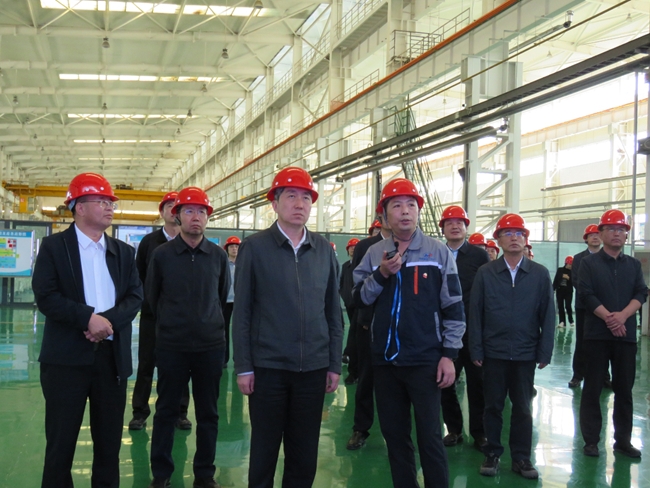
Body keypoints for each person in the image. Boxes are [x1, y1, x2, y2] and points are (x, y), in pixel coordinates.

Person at [232, 167, 343, 488]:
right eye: (291, 196)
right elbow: (243, 312)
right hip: (268, 368)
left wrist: (334, 363)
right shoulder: (255, 247)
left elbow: (333, 312)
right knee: (264, 451)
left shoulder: (323, 250)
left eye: (306, 197)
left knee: (304, 454)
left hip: (313, 369)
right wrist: (244, 366)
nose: (299, 203)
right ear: (275, 203)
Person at [32, 172, 143, 488]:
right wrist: (87, 319)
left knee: (109, 446)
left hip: (111, 360)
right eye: (102, 201)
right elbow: (46, 295)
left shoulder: (123, 252)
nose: (110, 207)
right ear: (78, 207)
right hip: (65, 361)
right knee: (60, 445)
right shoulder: (54, 247)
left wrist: (106, 322)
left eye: (111, 203)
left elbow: (135, 295)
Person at [353, 178, 465, 488]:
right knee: (395, 437)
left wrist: (449, 355)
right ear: (384, 214)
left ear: (418, 211)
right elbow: (357, 297)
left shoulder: (438, 253)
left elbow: (454, 306)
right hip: (385, 362)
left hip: (426, 361)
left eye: (411, 205)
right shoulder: (373, 254)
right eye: (397, 205)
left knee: (430, 437)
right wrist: (382, 274)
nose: (405, 211)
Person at [146, 187, 230, 488]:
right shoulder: (162, 255)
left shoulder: (218, 256)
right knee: (166, 411)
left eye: (202, 211)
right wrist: (173, 325)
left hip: (210, 346)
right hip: (173, 346)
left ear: (208, 217)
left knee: (209, 414)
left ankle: (204, 474)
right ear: (177, 216)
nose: (196, 217)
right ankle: (162, 473)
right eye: (190, 211)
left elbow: (221, 295)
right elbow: (152, 298)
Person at [469, 213, 555, 480]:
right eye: (508, 233)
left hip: (525, 352)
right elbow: (475, 313)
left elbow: (548, 315)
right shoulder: (486, 273)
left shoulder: (539, 274)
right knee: (492, 406)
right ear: (498, 240)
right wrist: (476, 348)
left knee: (523, 408)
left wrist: (544, 350)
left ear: (525, 239)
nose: (514, 238)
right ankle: (492, 453)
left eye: (519, 233)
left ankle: (521, 458)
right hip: (493, 352)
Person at [578, 209, 647, 459]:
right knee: (593, 388)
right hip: (596, 336)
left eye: (621, 229)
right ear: (601, 233)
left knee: (624, 391)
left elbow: (641, 293)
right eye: (611, 229)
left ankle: (623, 441)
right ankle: (591, 441)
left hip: (624, 337)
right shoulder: (588, 264)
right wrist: (610, 318)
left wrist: (622, 316)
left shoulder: (633, 265)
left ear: (626, 235)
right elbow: (586, 295)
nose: (617, 233)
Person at [129, 191, 192, 431]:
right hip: (152, 316)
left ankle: (180, 412)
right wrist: (147, 303)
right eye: (169, 206)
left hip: (181, 318)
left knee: (180, 366)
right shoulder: (149, 243)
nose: (173, 211)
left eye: (178, 207)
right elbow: (139, 276)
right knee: (146, 364)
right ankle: (139, 412)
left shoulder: (191, 240)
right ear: (162, 212)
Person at [438, 206, 489, 450]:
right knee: (445, 383)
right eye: (449, 223)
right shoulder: (436, 254)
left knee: (478, 384)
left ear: (466, 228)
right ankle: (454, 429)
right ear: (443, 229)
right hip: (445, 332)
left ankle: (480, 432)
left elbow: (487, 294)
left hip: (473, 331)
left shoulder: (479, 257)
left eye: (460, 222)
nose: (455, 226)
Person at [346, 215, 391, 451]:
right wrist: (362, 319)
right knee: (366, 379)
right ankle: (360, 428)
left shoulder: (409, 244)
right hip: (369, 325)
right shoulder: (365, 247)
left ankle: (395, 432)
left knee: (395, 384)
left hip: (398, 328)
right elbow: (357, 287)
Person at [569, 224, 606, 389]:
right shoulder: (579, 259)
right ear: (586, 239)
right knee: (582, 341)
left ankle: (604, 376)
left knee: (604, 342)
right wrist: (594, 298)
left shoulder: (607, 257)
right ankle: (578, 375)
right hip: (584, 307)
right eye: (591, 235)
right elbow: (577, 281)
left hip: (604, 308)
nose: (595, 237)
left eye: (597, 234)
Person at [340, 237, 361, 384]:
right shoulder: (345, 266)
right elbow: (342, 284)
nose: (353, 249)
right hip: (349, 305)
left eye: (355, 247)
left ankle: (352, 364)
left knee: (355, 335)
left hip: (359, 306)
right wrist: (345, 297)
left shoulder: (361, 266)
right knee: (353, 334)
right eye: (351, 247)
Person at [223, 236, 241, 366]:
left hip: (241, 302)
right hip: (225, 301)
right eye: (231, 246)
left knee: (239, 331)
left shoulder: (244, 264)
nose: (234, 249)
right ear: (227, 249)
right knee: (223, 331)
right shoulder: (223, 264)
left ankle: (239, 360)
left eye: (236, 246)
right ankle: (223, 359)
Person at [553, 256, 574, 328]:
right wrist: (553, 289)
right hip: (560, 291)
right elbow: (556, 280)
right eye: (570, 264)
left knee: (568, 306)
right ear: (566, 263)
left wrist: (568, 278)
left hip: (568, 292)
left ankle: (571, 321)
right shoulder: (560, 270)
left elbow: (574, 282)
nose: (570, 266)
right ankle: (562, 322)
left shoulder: (572, 272)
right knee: (560, 306)